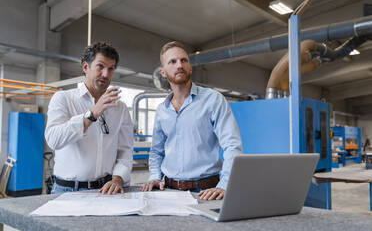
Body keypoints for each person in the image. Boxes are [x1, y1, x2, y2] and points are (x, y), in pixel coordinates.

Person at [142, 41, 242, 200]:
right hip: (168, 191)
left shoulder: (213, 100)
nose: (179, 65)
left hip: (206, 191)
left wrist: (224, 185)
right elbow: (156, 151)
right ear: (163, 72)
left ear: (190, 67)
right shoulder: (162, 110)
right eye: (172, 62)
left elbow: (232, 145)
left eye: (184, 60)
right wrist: (154, 176)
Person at [45, 42, 133, 194]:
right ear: (85, 67)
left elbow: (125, 150)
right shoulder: (63, 99)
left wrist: (118, 178)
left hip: (105, 190)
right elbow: (53, 140)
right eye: (100, 66)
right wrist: (91, 115)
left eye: (111, 69)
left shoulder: (121, 108)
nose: (106, 74)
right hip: (67, 190)